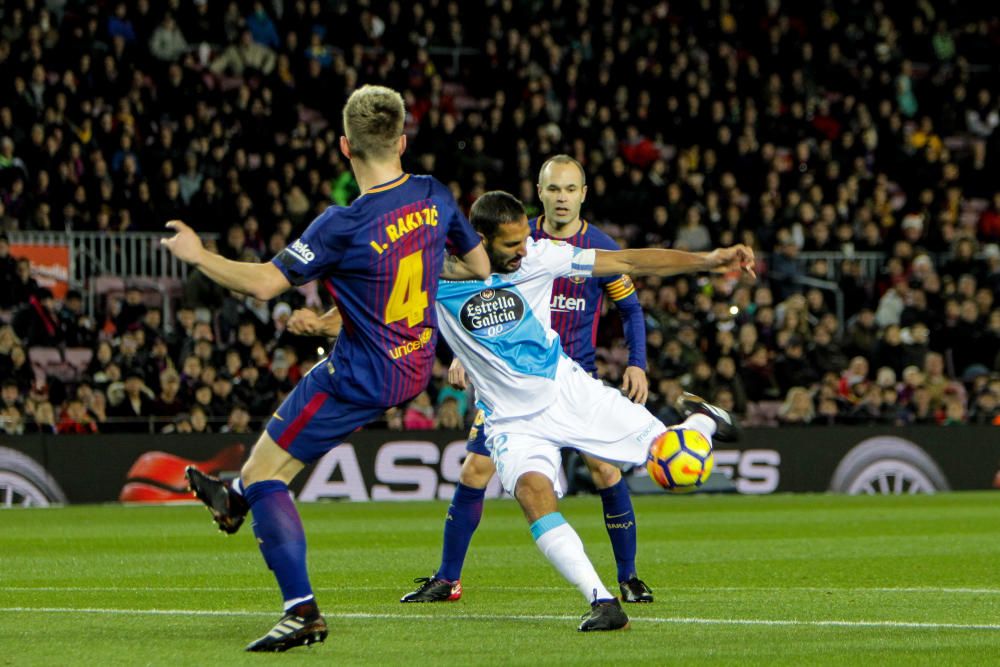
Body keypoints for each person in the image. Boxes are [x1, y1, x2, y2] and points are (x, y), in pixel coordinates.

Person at [161, 85, 490, 652]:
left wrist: (199, 257)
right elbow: (479, 265)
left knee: (268, 476)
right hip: (415, 361)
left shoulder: (342, 223)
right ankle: (233, 499)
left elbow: (266, 283)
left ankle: (301, 610)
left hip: (361, 372)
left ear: (344, 146)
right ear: (403, 141)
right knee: (271, 456)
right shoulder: (435, 194)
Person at [411, 190, 751, 631]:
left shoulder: (541, 256)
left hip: (568, 391)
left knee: (672, 462)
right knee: (534, 495)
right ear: (479, 239)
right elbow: (374, 308)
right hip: (511, 420)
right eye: (512, 244)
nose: (523, 249)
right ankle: (603, 601)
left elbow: (628, 262)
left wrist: (708, 261)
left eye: (524, 241)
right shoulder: (433, 279)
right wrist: (323, 324)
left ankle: (704, 421)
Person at [401, 155, 655, 605]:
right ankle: (447, 577)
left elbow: (631, 309)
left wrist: (638, 362)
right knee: (475, 469)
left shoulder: (596, 246)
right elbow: (468, 303)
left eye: (570, 189)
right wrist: (465, 354)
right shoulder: (516, 239)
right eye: (553, 189)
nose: (561, 198)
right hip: (507, 385)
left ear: (583, 194)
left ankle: (628, 577)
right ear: (539, 192)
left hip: (572, 376)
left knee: (604, 469)